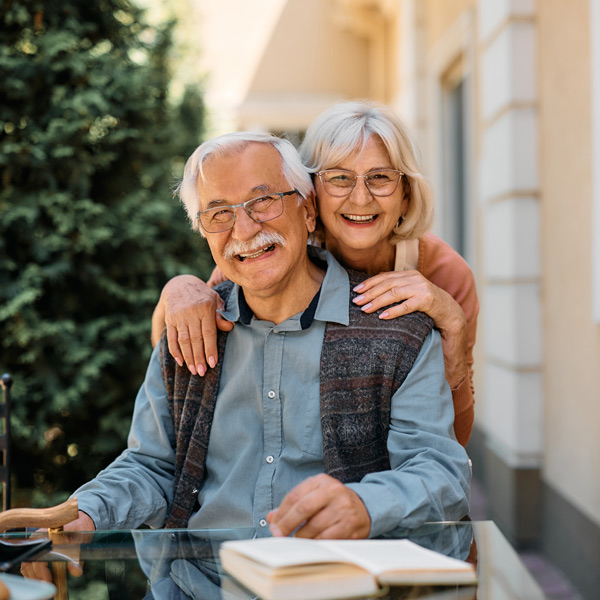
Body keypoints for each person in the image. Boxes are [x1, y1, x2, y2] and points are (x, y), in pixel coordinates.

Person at [41, 132, 470, 541]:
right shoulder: (191, 327)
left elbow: (439, 473)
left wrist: (366, 505)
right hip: (198, 586)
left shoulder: (397, 330)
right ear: (204, 231)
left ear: (307, 210)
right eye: (218, 213)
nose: (243, 229)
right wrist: (86, 513)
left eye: (262, 200)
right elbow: (152, 466)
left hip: (333, 584)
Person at [152, 100, 479, 446]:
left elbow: (451, 444)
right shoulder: (273, 254)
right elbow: (173, 351)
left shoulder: (444, 274)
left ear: (406, 193)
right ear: (311, 193)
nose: (360, 198)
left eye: (380, 177)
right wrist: (178, 288)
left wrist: (454, 328)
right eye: (339, 178)